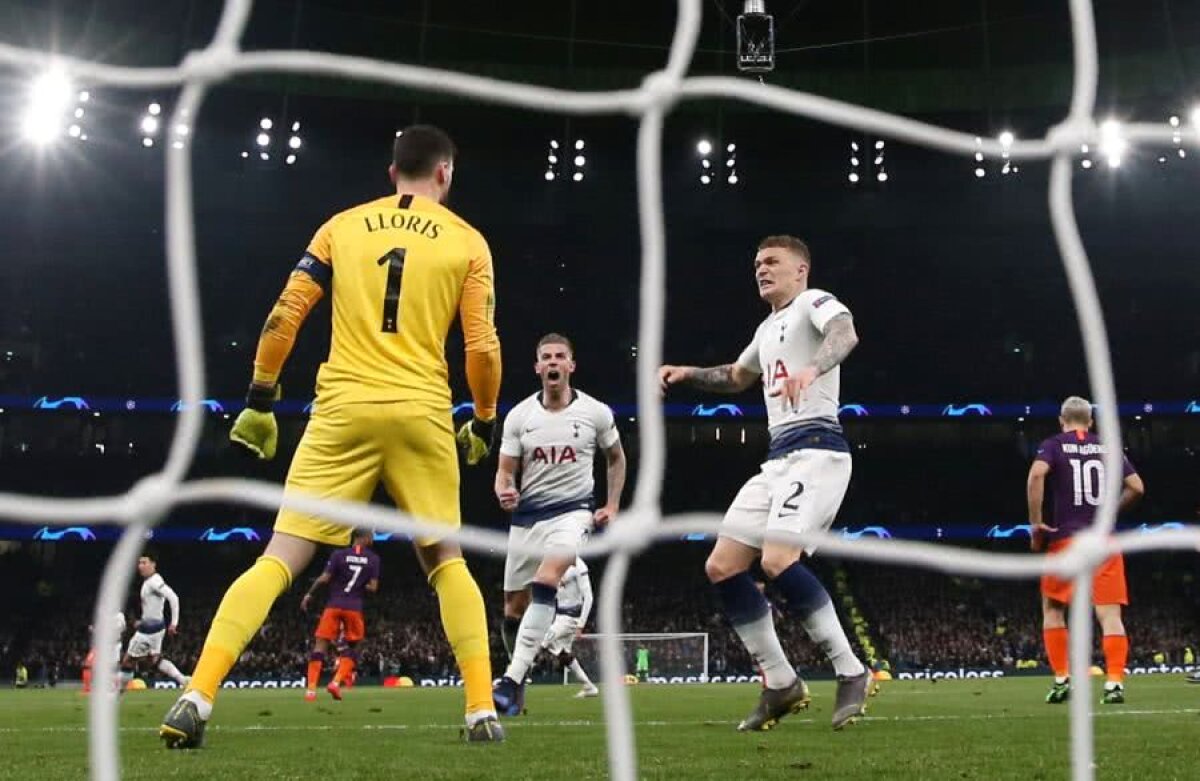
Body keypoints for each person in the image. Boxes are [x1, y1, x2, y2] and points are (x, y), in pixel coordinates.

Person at [160, 124, 505, 748]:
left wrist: (261, 399)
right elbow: (482, 347)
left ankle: (197, 694)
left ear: (391, 169)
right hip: (421, 412)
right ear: (446, 173)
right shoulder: (468, 242)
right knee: (446, 562)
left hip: (342, 408)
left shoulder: (341, 227)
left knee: (279, 559)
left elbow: (283, 314)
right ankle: (481, 709)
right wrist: (482, 419)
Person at [659, 234, 871, 732]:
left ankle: (851, 670)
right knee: (722, 565)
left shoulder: (814, 303)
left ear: (801, 270)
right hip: (777, 460)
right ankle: (780, 682)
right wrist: (686, 372)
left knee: (777, 560)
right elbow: (736, 376)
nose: (762, 269)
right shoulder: (768, 326)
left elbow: (846, 333)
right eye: (757, 263)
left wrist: (812, 368)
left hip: (818, 453)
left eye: (772, 261)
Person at [492, 334, 626, 716]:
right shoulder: (520, 417)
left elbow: (616, 458)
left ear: (571, 365)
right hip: (527, 519)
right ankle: (518, 684)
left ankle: (513, 680)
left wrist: (612, 504)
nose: (553, 362)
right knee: (512, 609)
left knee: (547, 579)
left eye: (560, 357)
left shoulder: (595, 412)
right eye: (546, 357)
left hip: (573, 513)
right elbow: (504, 473)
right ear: (537, 367)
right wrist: (505, 491)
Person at [1029, 395, 1144, 705]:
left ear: (1061, 420)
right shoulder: (1107, 446)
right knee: (1109, 615)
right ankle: (1115, 683)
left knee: (1053, 610)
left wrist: (1036, 523)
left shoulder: (1053, 444)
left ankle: (1062, 679)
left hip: (1067, 540)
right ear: (1091, 422)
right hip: (1103, 541)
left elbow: (1037, 474)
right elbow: (1137, 487)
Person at [300, 528, 381, 701]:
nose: (373, 539)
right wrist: (360, 584)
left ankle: (311, 691)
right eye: (371, 536)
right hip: (354, 607)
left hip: (333, 605)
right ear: (364, 538)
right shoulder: (374, 559)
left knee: (320, 645)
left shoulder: (339, 554)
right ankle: (335, 683)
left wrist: (309, 594)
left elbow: (324, 578)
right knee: (355, 647)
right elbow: (373, 588)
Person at [121, 554, 188, 689]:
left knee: (127, 662)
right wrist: (142, 621)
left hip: (149, 631)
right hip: (156, 628)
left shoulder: (154, 582)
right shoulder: (151, 581)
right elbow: (154, 607)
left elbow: (173, 598)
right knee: (154, 661)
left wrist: (174, 623)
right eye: (139, 563)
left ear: (153, 564)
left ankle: (117, 693)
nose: (141, 566)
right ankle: (183, 680)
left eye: (144, 562)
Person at [540, 557, 599, 698]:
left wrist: (581, 625)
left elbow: (589, 597)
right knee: (564, 654)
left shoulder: (578, 565)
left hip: (571, 618)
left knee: (541, 642)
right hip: (559, 615)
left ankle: (514, 679)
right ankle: (589, 686)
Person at [83, 611, 126, 694]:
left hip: (115, 644)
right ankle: (90, 688)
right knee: (92, 664)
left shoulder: (119, 615)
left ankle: (114, 686)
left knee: (113, 666)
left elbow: (121, 628)